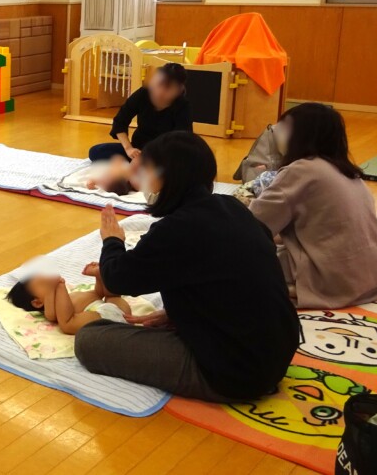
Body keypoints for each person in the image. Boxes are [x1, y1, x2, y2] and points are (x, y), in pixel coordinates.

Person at [75, 131, 299, 402]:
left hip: (233, 372)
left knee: (89, 341)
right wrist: (177, 314)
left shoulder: (175, 229)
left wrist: (112, 240)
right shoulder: (231, 207)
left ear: (166, 179)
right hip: (277, 353)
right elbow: (233, 276)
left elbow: (117, 279)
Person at [249, 103, 377, 308]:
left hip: (334, 280)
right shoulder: (347, 171)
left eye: (284, 128)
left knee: (235, 259)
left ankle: (294, 288)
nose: (277, 133)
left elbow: (254, 224)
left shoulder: (302, 170)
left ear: (302, 135)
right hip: (373, 274)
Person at [88, 63, 192, 162]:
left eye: (168, 88)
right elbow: (120, 122)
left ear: (179, 90)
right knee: (96, 151)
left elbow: (182, 141)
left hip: (164, 154)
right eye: (159, 85)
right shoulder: (143, 94)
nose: (161, 92)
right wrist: (129, 149)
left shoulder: (182, 105)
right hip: (138, 149)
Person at [7, 263, 132, 334]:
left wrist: (98, 278)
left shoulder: (72, 295)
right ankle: (104, 277)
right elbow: (51, 316)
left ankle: (101, 273)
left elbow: (98, 294)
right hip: (104, 317)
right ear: (38, 302)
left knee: (111, 295)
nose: (50, 281)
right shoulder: (53, 305)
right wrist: (57, 287)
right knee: (66, 324)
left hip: (113, 311)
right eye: (44, 284)